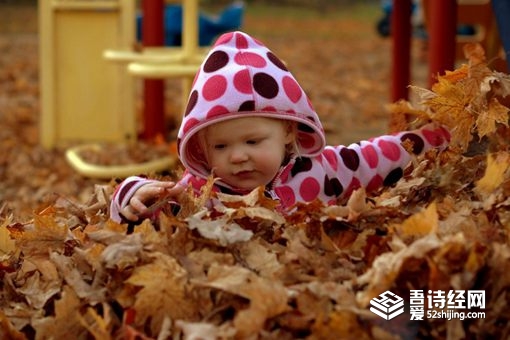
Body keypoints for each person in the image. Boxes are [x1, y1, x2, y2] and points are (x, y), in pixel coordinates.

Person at [110, 31, 450, 224]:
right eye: (221, 147)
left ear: (288, 131)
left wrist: (438, 138)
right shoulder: (200, 191)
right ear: (202, 148)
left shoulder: (321, 171)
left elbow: (377, 157)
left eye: (253, 141)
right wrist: (131, 196)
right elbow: (147, 205)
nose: (238, 156)